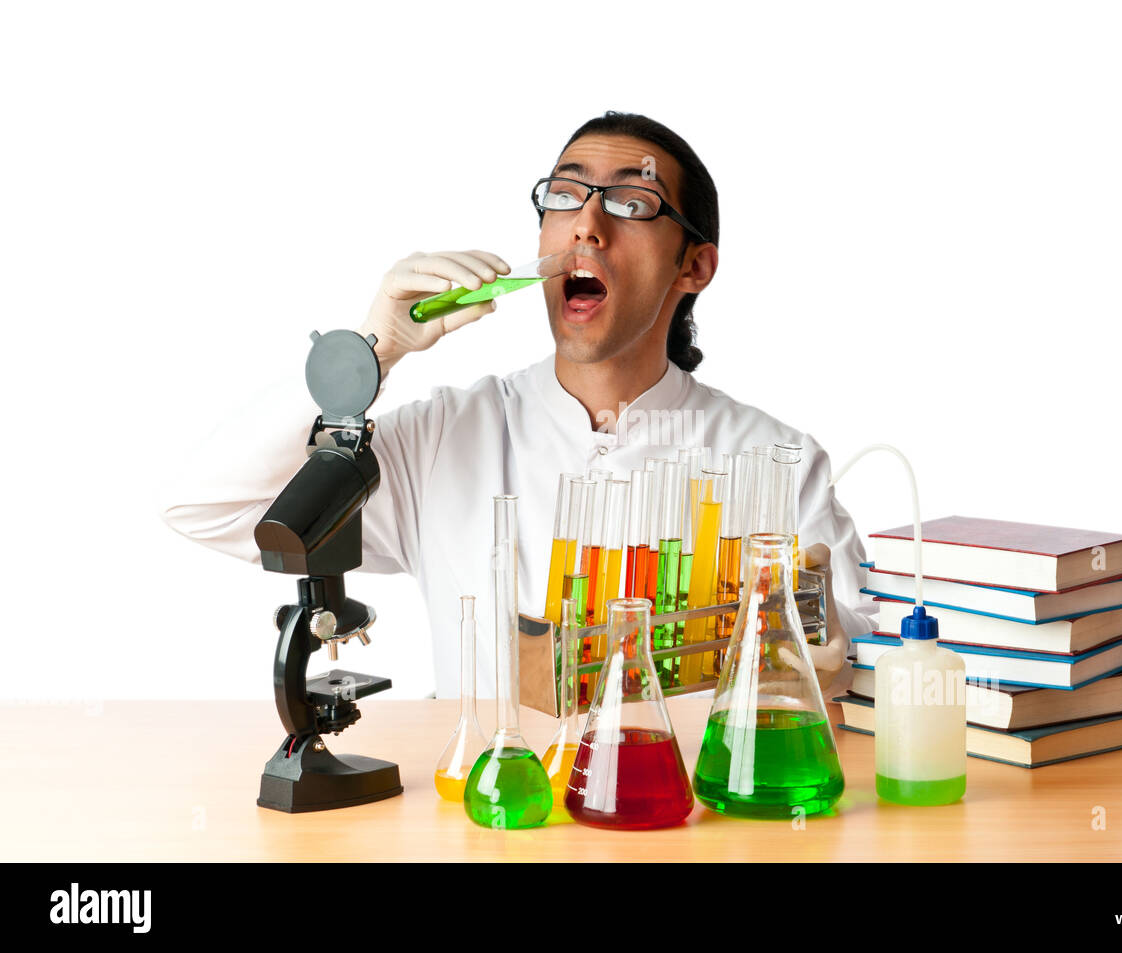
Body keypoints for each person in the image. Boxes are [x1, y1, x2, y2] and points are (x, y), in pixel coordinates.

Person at [161, 110, 875, 699]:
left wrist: (822, 655)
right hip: (490, 823)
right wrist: (369, 352)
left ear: (695, 265)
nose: (587, 225)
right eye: (565, 195)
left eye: (633, 202)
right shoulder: (446, 438)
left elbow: (860, 661)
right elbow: (207, 506)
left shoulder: (774, 462)